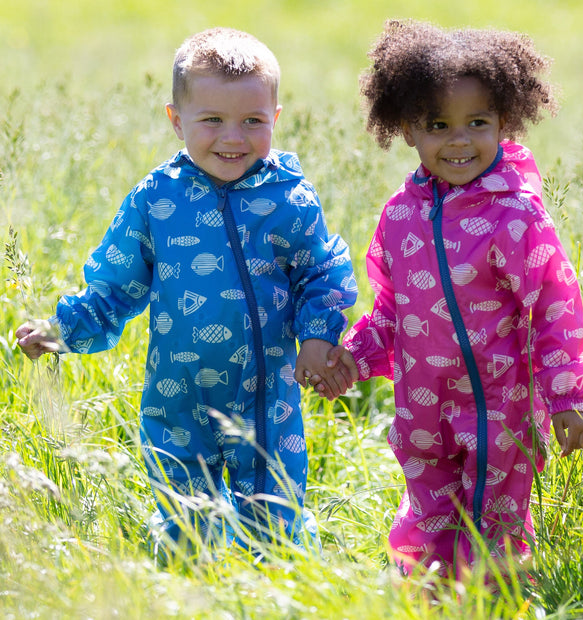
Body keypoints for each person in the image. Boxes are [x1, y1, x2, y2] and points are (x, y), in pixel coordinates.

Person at [16, 27, 357, 557]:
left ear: (276, 119)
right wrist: (64, 330)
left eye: (252, 121)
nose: (233, 138)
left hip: (266, 395)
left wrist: (318, 335)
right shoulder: (157, 198)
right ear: (176, 120)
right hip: (179, 395)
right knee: (184, 520)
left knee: (275, 519)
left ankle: (276, 589)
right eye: (212, 120)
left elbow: (321, 271)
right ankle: (187, 583)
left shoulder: (287, 196)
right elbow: (115, 284)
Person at [311, 20, 583, 575]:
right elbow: (391, 309)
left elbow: (554, 309)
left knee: (494, 523)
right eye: (438, 124)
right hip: (422, 408)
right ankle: (426, 593)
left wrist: (566, 396)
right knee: (429, 510)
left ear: (504, 123)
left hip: (499, 407)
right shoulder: (401, 213)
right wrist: (355, 356)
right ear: (408, 129)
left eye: (477, 123)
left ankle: (490, 598)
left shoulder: (516, 217)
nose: (458, 140)